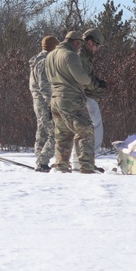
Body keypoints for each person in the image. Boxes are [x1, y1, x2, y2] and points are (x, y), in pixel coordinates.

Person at [44, 30, 98, 173]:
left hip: (55, 99)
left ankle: (61, 166)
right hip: (70, 99)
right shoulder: (70, 55)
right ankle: (86, 166)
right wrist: (90, 81)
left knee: (63, 135)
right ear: (75, 42)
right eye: (80, 45)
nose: (80, 48)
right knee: (86, 130)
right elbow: (82, 78)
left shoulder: (50, 55)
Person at [29, 35, 60, 172]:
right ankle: (42, 161)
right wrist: (52, 103)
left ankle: (39, 161)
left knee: (42, 132)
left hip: (39, 102)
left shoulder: (39, 60)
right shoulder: (45, 62)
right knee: (55, 133)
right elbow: (45, 87)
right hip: (44, 102)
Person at [80, 27, 108, 155]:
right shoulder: (82, 56)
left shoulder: (83, 55)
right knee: (95, 127)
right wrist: (96, 84)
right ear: (90, 42)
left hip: (82, 96)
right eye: (97, 45)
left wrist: (96, 80)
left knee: (81, 131)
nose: (97, 49)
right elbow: (84, 79)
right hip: (85, 96)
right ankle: (90, 157)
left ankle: (79, 160)